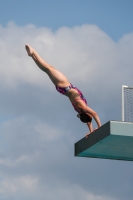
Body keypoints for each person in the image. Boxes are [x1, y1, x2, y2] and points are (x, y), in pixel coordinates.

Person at [25, 44, 101, 137]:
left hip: (65, 85)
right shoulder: (79, 111)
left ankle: (34, 52)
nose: (91, 117)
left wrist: (99, 127)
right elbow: (88, 121)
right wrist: (91, 131)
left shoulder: (83, 107)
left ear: (88, 115)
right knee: (47, 69)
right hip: (62, 89)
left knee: (49, 68)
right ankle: (32, 55)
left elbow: (94, 114)